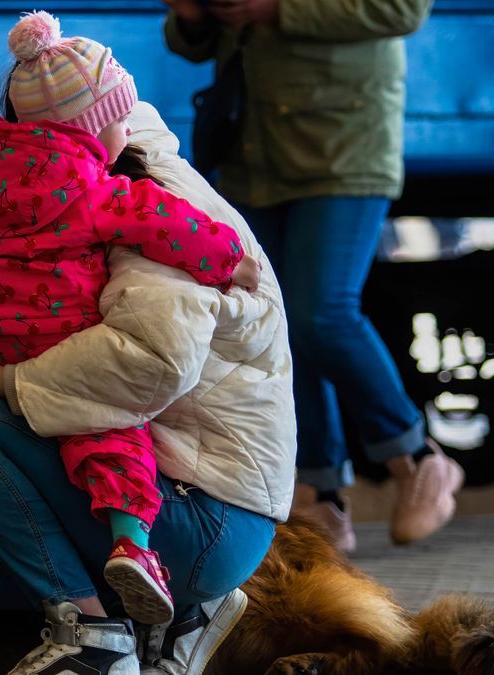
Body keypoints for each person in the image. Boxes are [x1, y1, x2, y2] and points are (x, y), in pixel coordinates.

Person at [0, 36, 296, 675]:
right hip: (170, 475)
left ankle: (95, 635)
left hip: (206, 508)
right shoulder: (98, 178)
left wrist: (3, 378)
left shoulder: (143, 207)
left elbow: (154, 363)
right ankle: (173, 614)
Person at [162, 0, 464, 553]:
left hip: (343, 144)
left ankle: (419, 460)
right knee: (280, 323)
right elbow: (190, 43)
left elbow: (400, 9)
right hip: (253, 151)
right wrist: (193, 16)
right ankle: (321, 493)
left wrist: (274, 9)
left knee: (322, 312)